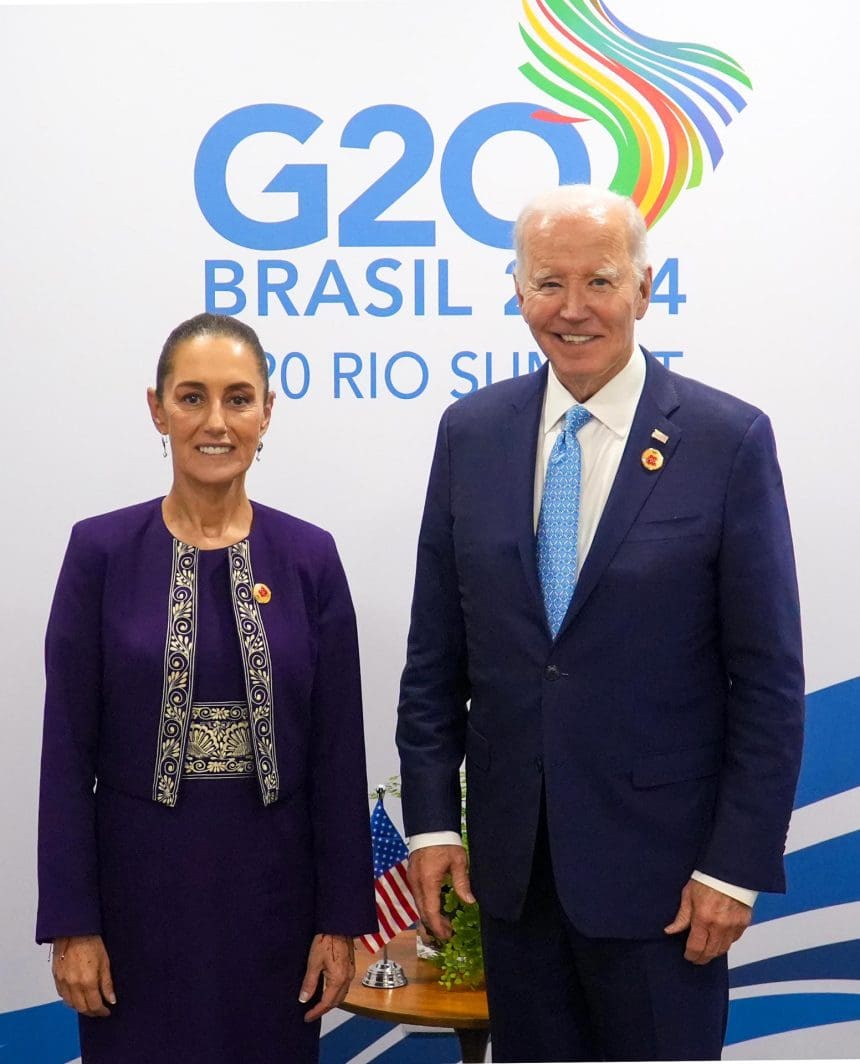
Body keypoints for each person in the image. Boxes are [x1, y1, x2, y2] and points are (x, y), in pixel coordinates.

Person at [396, 185, 804, 1061]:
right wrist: (432, 826)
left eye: (600, 281)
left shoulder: (727, 442)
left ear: (645, 289)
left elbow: (767, 681)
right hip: (514, 880)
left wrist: (733, 867)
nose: (572, 309)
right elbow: (435, 657)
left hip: (666, 886)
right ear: (516, 290)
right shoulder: (470, 433)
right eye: (548, 283)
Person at [36, 312, 376, 1064]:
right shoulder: (99, 552)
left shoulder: (309, 557)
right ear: (157, 409)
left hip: (276, 909)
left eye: (237, 398)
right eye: (191, 398)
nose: (215, 422)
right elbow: (65, 755)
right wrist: (73, 923)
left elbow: (337, 755)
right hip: (135, 907)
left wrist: (339, 921)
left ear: (266, 411)